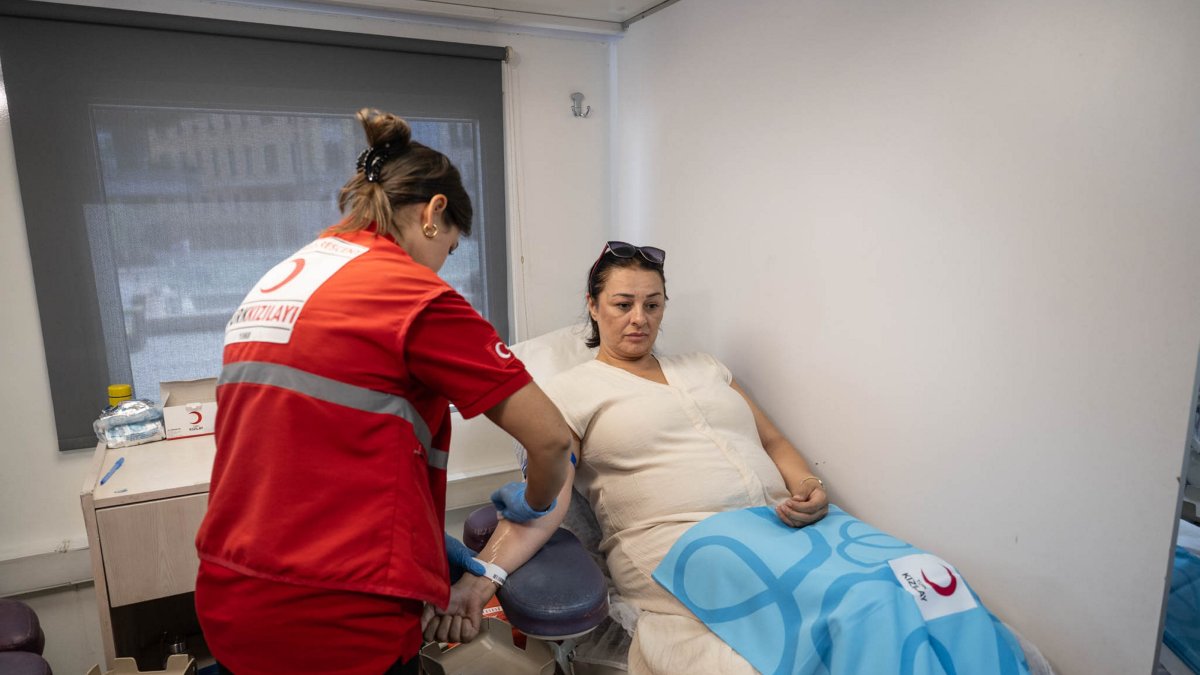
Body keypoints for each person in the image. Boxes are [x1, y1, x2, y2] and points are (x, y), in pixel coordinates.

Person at [193, 108, 572, 675]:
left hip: (232, 597)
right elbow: (550, 441)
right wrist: (536, 502)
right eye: (451, 248)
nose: (444, 266)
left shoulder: (281, 278)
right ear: (433, 212)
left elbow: (319, 447)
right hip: (335, 616)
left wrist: (419, 542)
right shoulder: (412, 295)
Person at [422, 240, 829, 673]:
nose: (640, 319)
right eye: (623, 304)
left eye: (652, 305)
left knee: (886, 594)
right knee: (798, 640)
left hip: (787, 530)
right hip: (689, 548)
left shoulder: (706, 367)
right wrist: (478, 582)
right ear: (593, 307)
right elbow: (545, 503)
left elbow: (773, 443)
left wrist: (809, 486)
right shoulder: (569, 393)